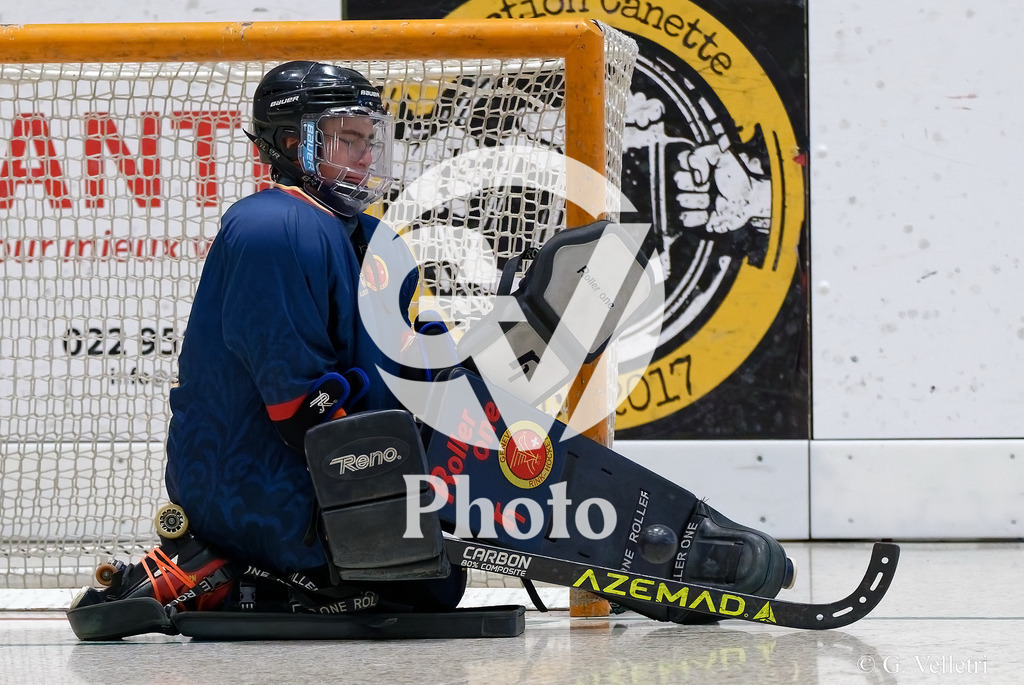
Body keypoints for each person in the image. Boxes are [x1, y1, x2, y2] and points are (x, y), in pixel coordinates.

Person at [159, 61, 463, 611]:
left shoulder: (371, 236)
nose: (367, 157)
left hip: (324, 477)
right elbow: (303, 412)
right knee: (431, 585)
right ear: (287, 141)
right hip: (263, 495)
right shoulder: (271, 227)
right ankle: (235, 570)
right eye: (348, 139)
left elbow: (395, 366)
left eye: (370, 140)